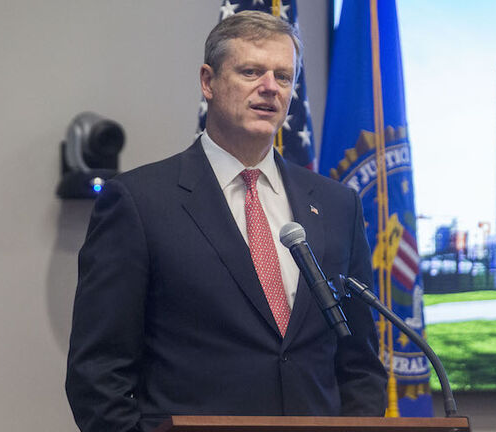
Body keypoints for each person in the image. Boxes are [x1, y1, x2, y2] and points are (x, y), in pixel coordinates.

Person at [65, 11, 387, 432]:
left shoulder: (337, 205)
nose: (270, 88)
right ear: (208, 81)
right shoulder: (139, 203)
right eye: (251, 71)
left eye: (284, 77)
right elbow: (97, 372)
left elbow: (360, 362)